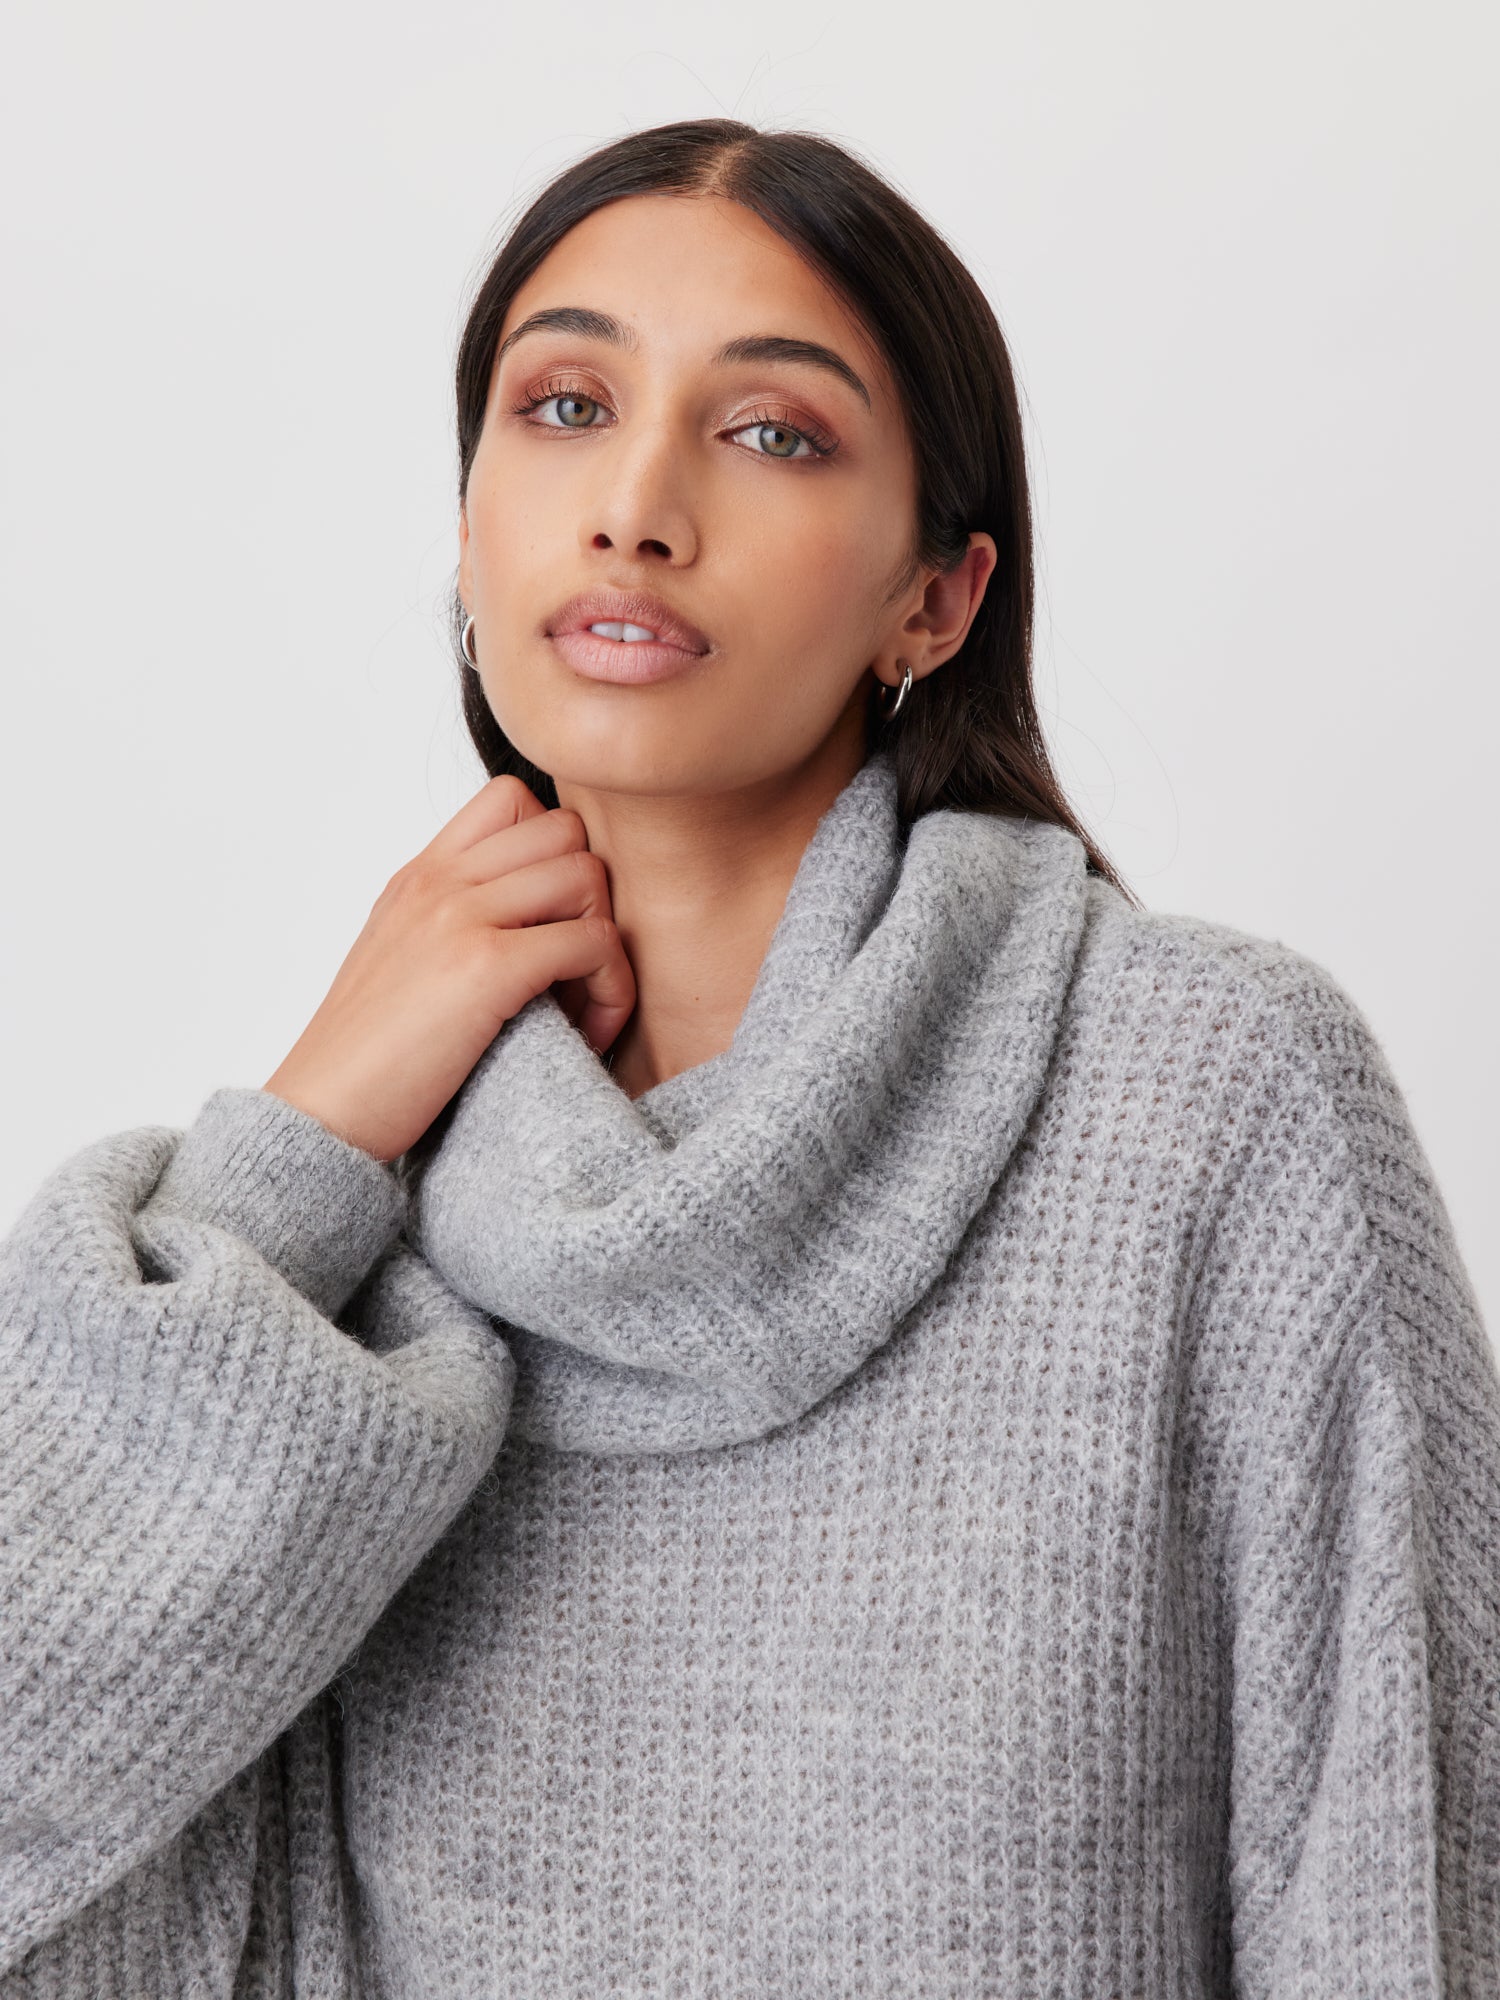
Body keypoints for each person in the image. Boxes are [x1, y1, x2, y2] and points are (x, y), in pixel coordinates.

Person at [2, 119, 1496, 1999]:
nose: (636, 504)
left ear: (937, 598)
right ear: (466, 524)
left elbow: (1403, 1894)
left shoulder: (1211, 1100)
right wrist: (299, 1143)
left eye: (773, 432)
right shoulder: (346, 1244)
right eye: (565, 407)